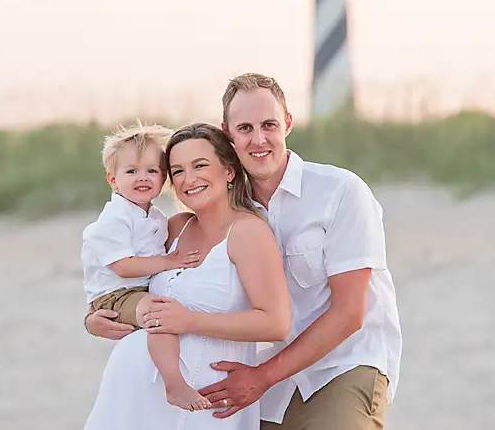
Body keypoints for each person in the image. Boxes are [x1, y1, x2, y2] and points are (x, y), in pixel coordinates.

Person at [152, 73, 403, 430]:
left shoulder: (341, 192)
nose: (259, 139)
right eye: (245, 128)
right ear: (228, 134)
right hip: (260, 376)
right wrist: (106, 311)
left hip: (344, 364)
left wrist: (263, 377)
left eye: (269, 124)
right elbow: (155, 274)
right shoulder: (221, 206)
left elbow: (350, 313)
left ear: (287, 123)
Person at [83, 122, 291, 430]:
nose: (188, 179)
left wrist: (189, 321)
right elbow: (121, 278)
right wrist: (92, 320)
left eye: (200, 166)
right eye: (178, 171)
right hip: (130, 398)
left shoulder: (248, 232)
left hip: (201, 403)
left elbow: (276, 323)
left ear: (229, 171)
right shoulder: (173, 227)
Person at [80, 121, 211, 411]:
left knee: (158, 309)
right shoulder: (115, 219)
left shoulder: (156, 218)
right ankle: (174, 384)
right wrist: (169, 262)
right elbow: (124, 266)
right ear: (112, 180)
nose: (143, 177)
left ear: (163, 178)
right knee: (159, 314)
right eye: (131, 171)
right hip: (117, 294)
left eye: (152, 171)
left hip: (136, 290)